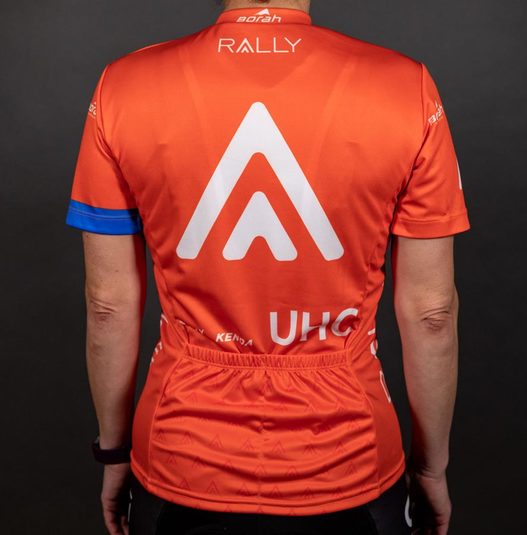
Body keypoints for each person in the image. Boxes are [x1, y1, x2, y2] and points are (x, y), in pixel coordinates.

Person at [65, 0, 470, 533]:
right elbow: (431, 313)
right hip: (352, 460)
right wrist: (430, 465)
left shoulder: (124, 86)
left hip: (179, 458)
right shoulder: (405, 87)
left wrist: (115, 453)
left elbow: (108, 306)